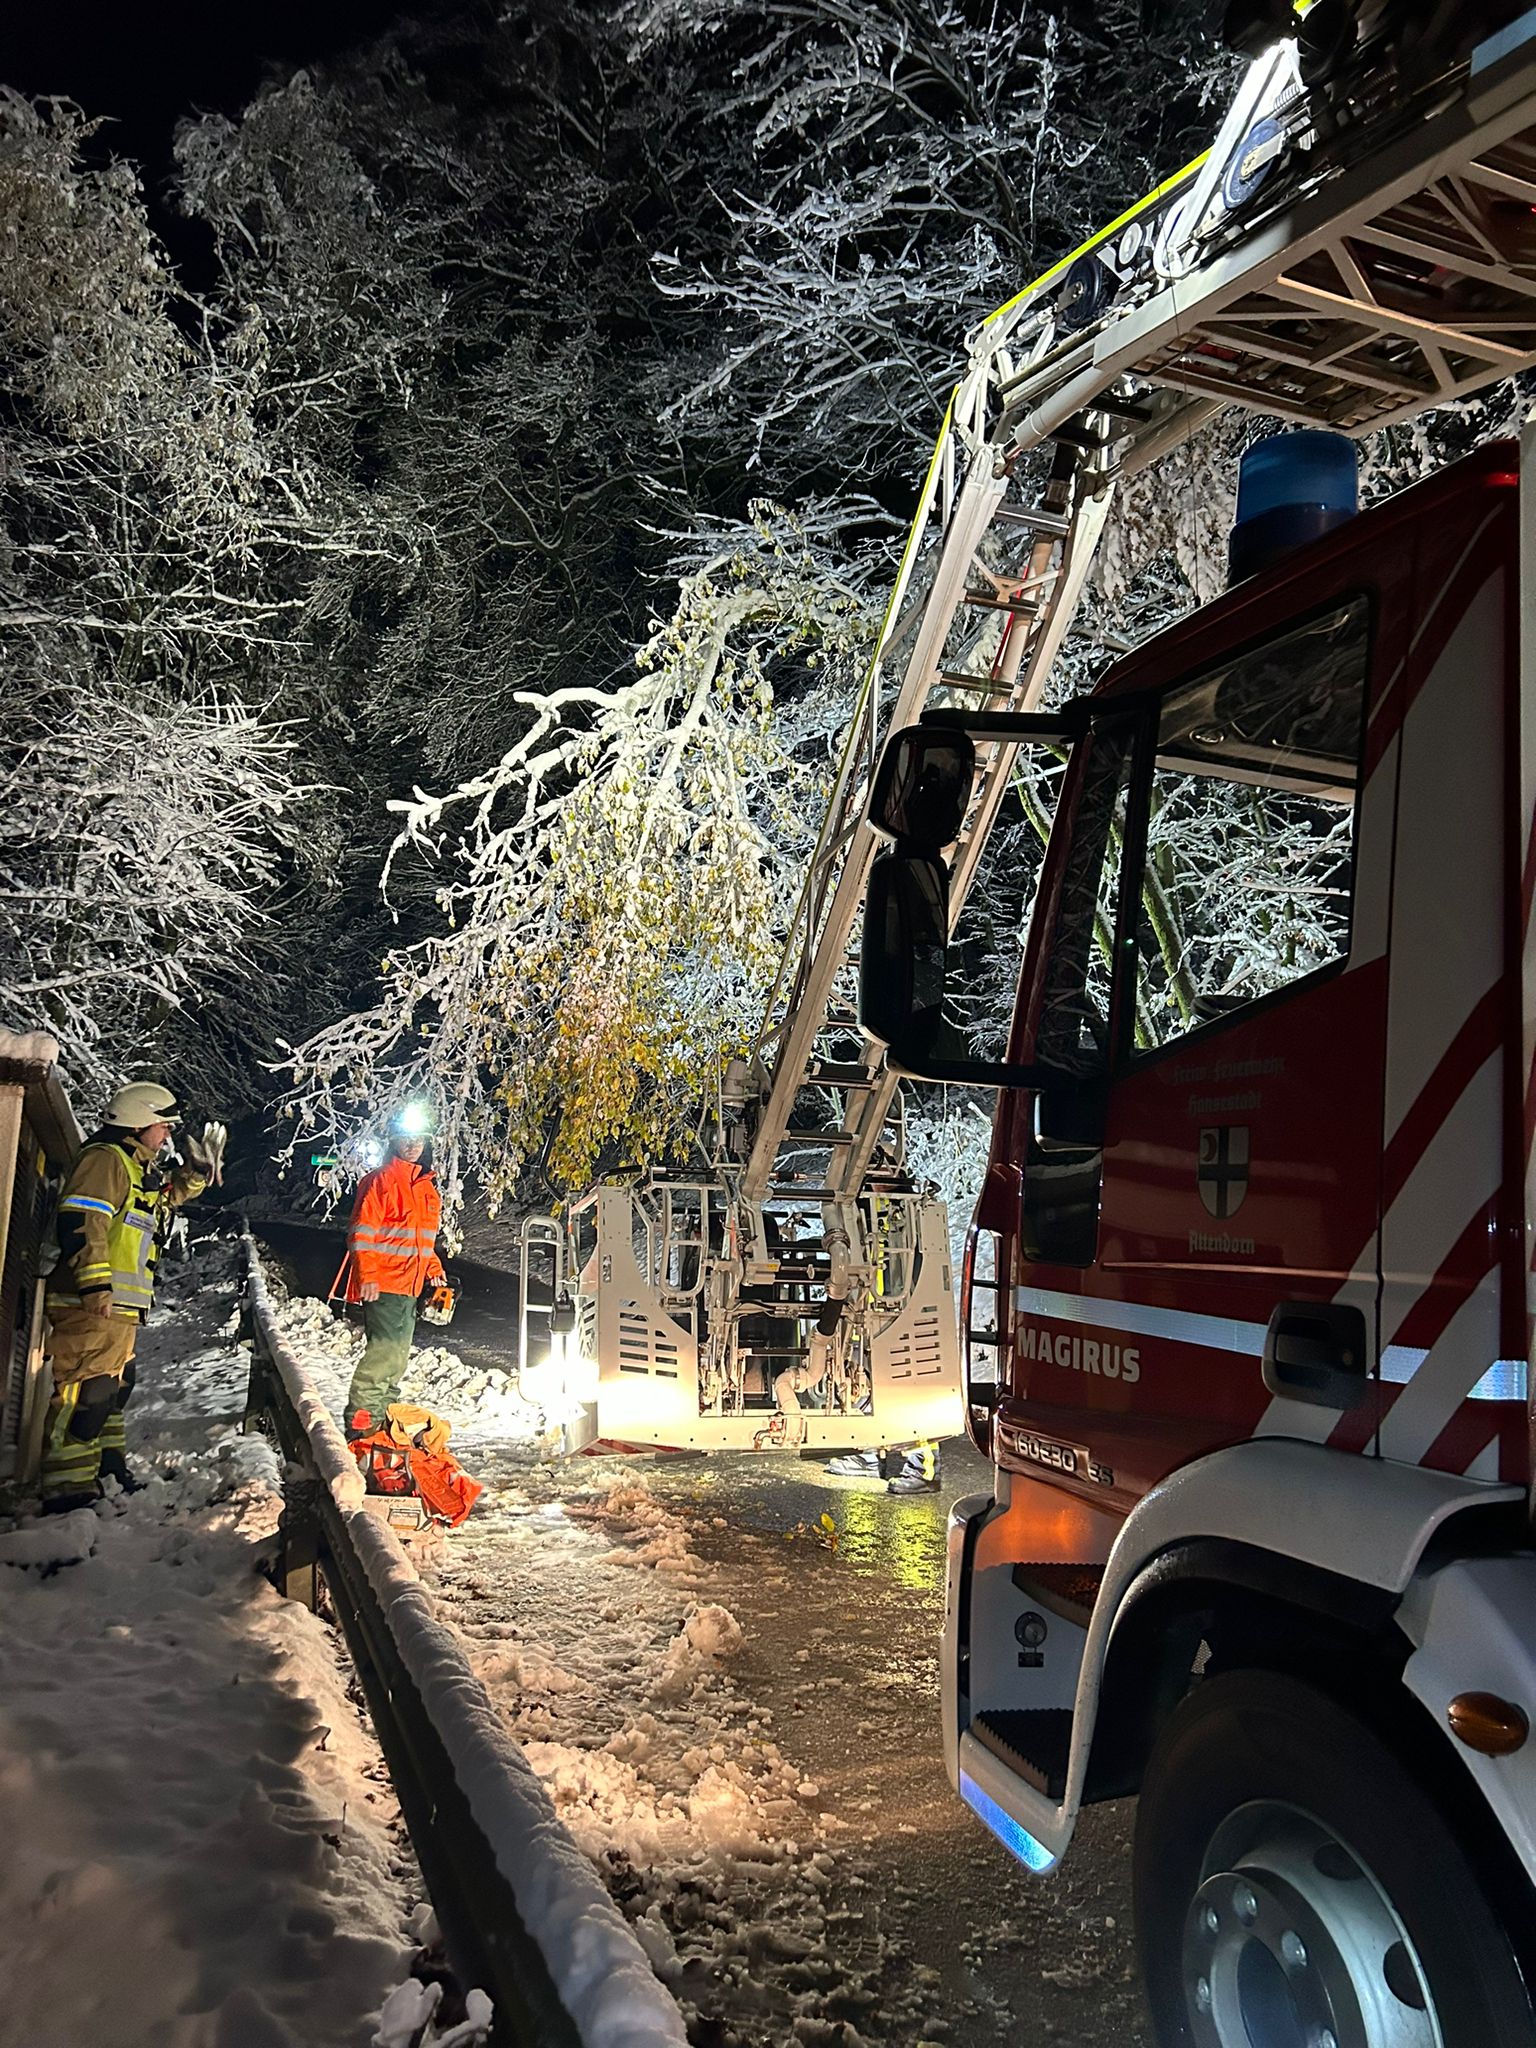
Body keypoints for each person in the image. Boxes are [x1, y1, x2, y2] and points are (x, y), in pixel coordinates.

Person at [42, 1081, 219, 1510]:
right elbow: (83, 1221)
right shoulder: (104, 1161)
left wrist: (197, 1174)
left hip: (119, 1306)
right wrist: (95, 1283)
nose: (167, 1137)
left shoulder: (135, 1167)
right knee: (86, 1390)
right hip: (92, 1303)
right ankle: (67, 1489)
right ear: (137, 1124)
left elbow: (165, 1201)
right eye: (163, 1128)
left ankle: (107, 1467)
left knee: (114, 1388)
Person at [339, 1107, 446, 1439]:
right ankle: (361, 1426)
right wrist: (367, 1275)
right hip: (383, 1284)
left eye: (418, 1139)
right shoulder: (380, 1181)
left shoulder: (428, 1190)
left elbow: (422, 1242)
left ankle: (378, 1420)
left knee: (397, 1359)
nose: (412, 1145)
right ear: (394, 1141)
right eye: (405, 1138)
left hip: (410, 1288)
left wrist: (434, 1270)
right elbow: (361, 1233)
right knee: (384, 1357)